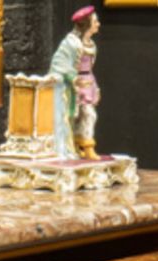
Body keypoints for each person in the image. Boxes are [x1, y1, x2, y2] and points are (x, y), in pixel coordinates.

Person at [50, 5, 101, 160]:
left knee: (89, 114)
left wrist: (95, 87)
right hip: (72, 85)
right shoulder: (71, 43)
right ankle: (73, 145)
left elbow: (90, 68)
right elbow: (59, 63)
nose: (98, 24)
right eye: (95, 21)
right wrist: (73, 78)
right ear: (87, 24)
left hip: (87, 82)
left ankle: (86, 145)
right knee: (73, 116)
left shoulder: (91, 45)